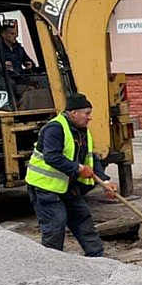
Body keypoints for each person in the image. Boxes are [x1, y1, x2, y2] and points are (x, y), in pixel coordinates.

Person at [25, 93, 118, 257]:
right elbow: (52, 157)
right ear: (73, 113)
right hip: (45, 187)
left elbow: (90, 157)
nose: (90, 118)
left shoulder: (82, 131)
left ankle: (97, 257)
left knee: (83, 219)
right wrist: (78, 169)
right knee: (55, 224)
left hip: (68, 186)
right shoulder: (55, 129)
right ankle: (53, 262)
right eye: (87, 113)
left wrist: (105, 181)